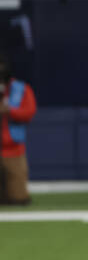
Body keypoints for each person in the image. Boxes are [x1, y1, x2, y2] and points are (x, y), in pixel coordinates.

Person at [0, 51, 35, 205]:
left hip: (12, 149)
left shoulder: (20, 89)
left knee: (19, 199)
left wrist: (10, 111)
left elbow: (29, 112)